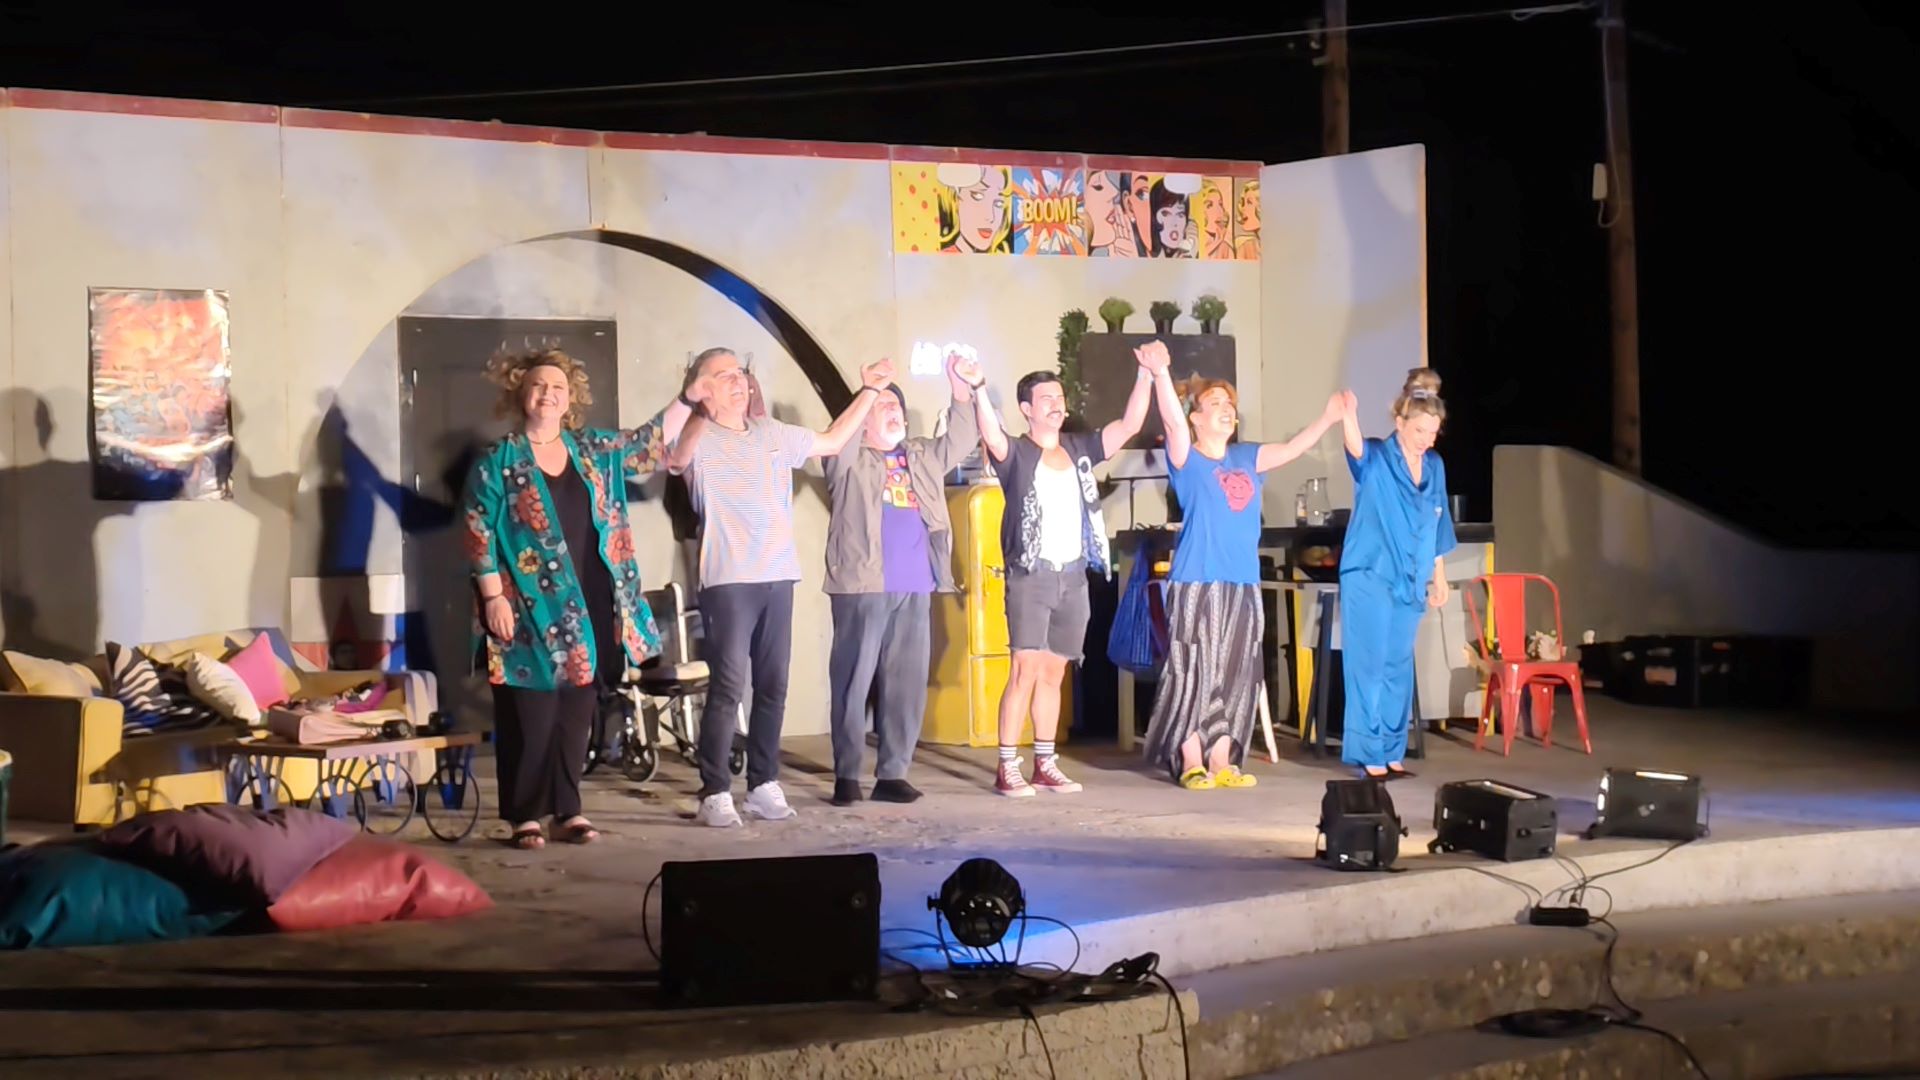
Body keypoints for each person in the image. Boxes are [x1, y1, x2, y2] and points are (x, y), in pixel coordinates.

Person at [463, 347, 709, 850]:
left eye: (557, 386)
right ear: (520, 393)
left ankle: (567, 810)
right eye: (537, 385)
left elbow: (647, 443)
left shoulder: (591, 449)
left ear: (570, 397)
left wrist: (688, 398)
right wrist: (492, 598)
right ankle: (525, 816)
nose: (547, 394)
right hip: (526, 603)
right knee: (530, 712)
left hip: (592, 599)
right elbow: (477, 530)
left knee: (577, 712)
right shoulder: (499, 460)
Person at [672, 347, 895, 827]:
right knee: (729, 686)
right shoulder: (698, 435)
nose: (738, 381)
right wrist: (694, 406)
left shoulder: (771, 432)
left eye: (740, 373)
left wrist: (870, 390)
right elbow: (675, 458)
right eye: (723, 376)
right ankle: (714, 791)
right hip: (729, 579)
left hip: (777, 574)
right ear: (703, 386)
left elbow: (833, 441)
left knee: (773, 685)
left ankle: (763, 784)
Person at [1139, 348, 1349, 788]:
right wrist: (1161, 373)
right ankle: (1190, 759)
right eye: (1214, 403)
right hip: (1197, 581)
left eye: (1230, 404)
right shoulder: (1187, 458)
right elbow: (1172, 422)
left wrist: (1329, 418)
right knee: (1193, 670)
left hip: (1243, 583)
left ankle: (1222, 760)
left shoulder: (1247, 457)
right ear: (1196, 418)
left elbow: (1292, 449)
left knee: (1236, 672)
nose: (1225, 409)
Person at [974, 348, 1159, 796]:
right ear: (1026, 409)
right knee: (1024, 668)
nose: (1056, 405)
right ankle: (1007, 765)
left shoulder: (1078, 449)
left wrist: (1147, 374)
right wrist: (978, 387)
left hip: (1073, 575)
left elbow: (1128, 425)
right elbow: (992, 435)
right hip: (1031, 574)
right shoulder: (1018, 453)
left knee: (1055, 672)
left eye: (1059, 397)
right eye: (1046, 399)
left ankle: (1045, 762)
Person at [821, 348, 985, 806]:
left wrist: (960, 390)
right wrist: (868, 389)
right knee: (853, 682)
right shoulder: (847, 458)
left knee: (906, 684)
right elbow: (836, 440)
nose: (893, 410)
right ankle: (847, 774)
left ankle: (893, 773)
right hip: (862, 585)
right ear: (862, 421)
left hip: (916, 584)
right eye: (882, 406)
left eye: (896, 404)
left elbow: (964, 436)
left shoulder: (922, 455)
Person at [1336, 368, 1457, 780]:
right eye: (1420, 430)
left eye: (1433, 433)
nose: (1427, 440)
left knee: (1398, 665)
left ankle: (1391, 750)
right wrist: (1348, 415)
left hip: (1411, 575)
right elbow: (1355, 449)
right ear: (1400, 422)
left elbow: (1437, 521)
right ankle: (1368, 752)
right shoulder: (1377, 457)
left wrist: (1438, 576)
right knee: (1369, 664)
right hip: (1371, 573)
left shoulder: (1434, 465)